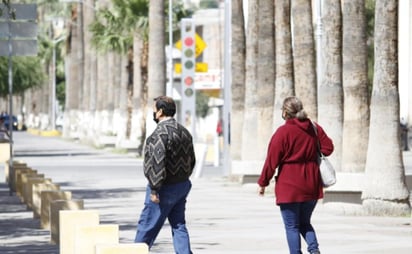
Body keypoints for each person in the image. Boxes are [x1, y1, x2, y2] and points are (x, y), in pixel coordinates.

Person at [257, 96, 334, 254]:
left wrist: (263, 183)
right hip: (311, 183)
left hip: (290, 185)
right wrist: (312, 154)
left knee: (292, 226)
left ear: (285, 112)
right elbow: (329, 147)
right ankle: (314, 251)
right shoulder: (313, 127)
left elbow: (272, 161)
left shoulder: (282, 132)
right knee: (305, 223)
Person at [135, 96, 196, 254]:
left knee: (147, 227)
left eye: (154, 110)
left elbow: (157, 163)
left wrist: (155, 189)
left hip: (163, 188)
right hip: (182, 185)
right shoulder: (184, 132)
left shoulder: (159, 135)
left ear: (160, 112)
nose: (153, 113)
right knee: (179, 226)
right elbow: (192, 160)